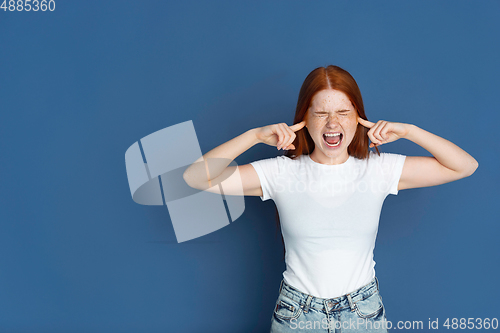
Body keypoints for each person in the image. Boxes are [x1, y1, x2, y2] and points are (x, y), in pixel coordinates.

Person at [183, 65, 478, 332]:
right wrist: (254, 136)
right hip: (296, 316)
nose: (332, 123)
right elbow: (196, 177)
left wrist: (410, 131)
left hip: (362, 315)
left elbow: (464, 165)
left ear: (359, 118)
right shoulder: (281, 173)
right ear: (304, 120)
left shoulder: (379, 169)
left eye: (344, 112)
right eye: (321, 113)